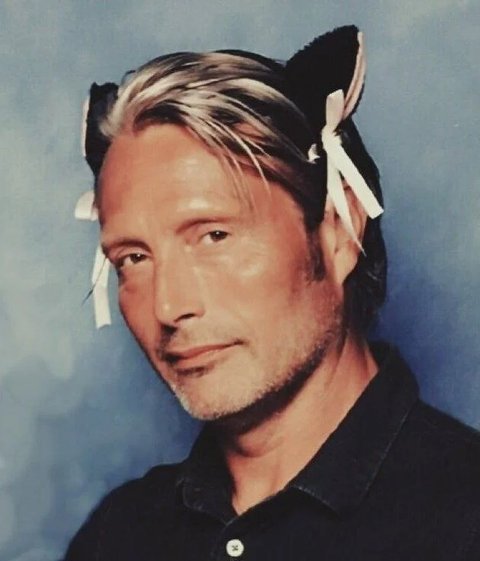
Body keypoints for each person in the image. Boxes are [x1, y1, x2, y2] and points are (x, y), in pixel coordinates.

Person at [65, 25, 480, 560]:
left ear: (338, 233)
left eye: (214, 236)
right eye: (134, 258)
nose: (168, 306)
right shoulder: (118, 535)